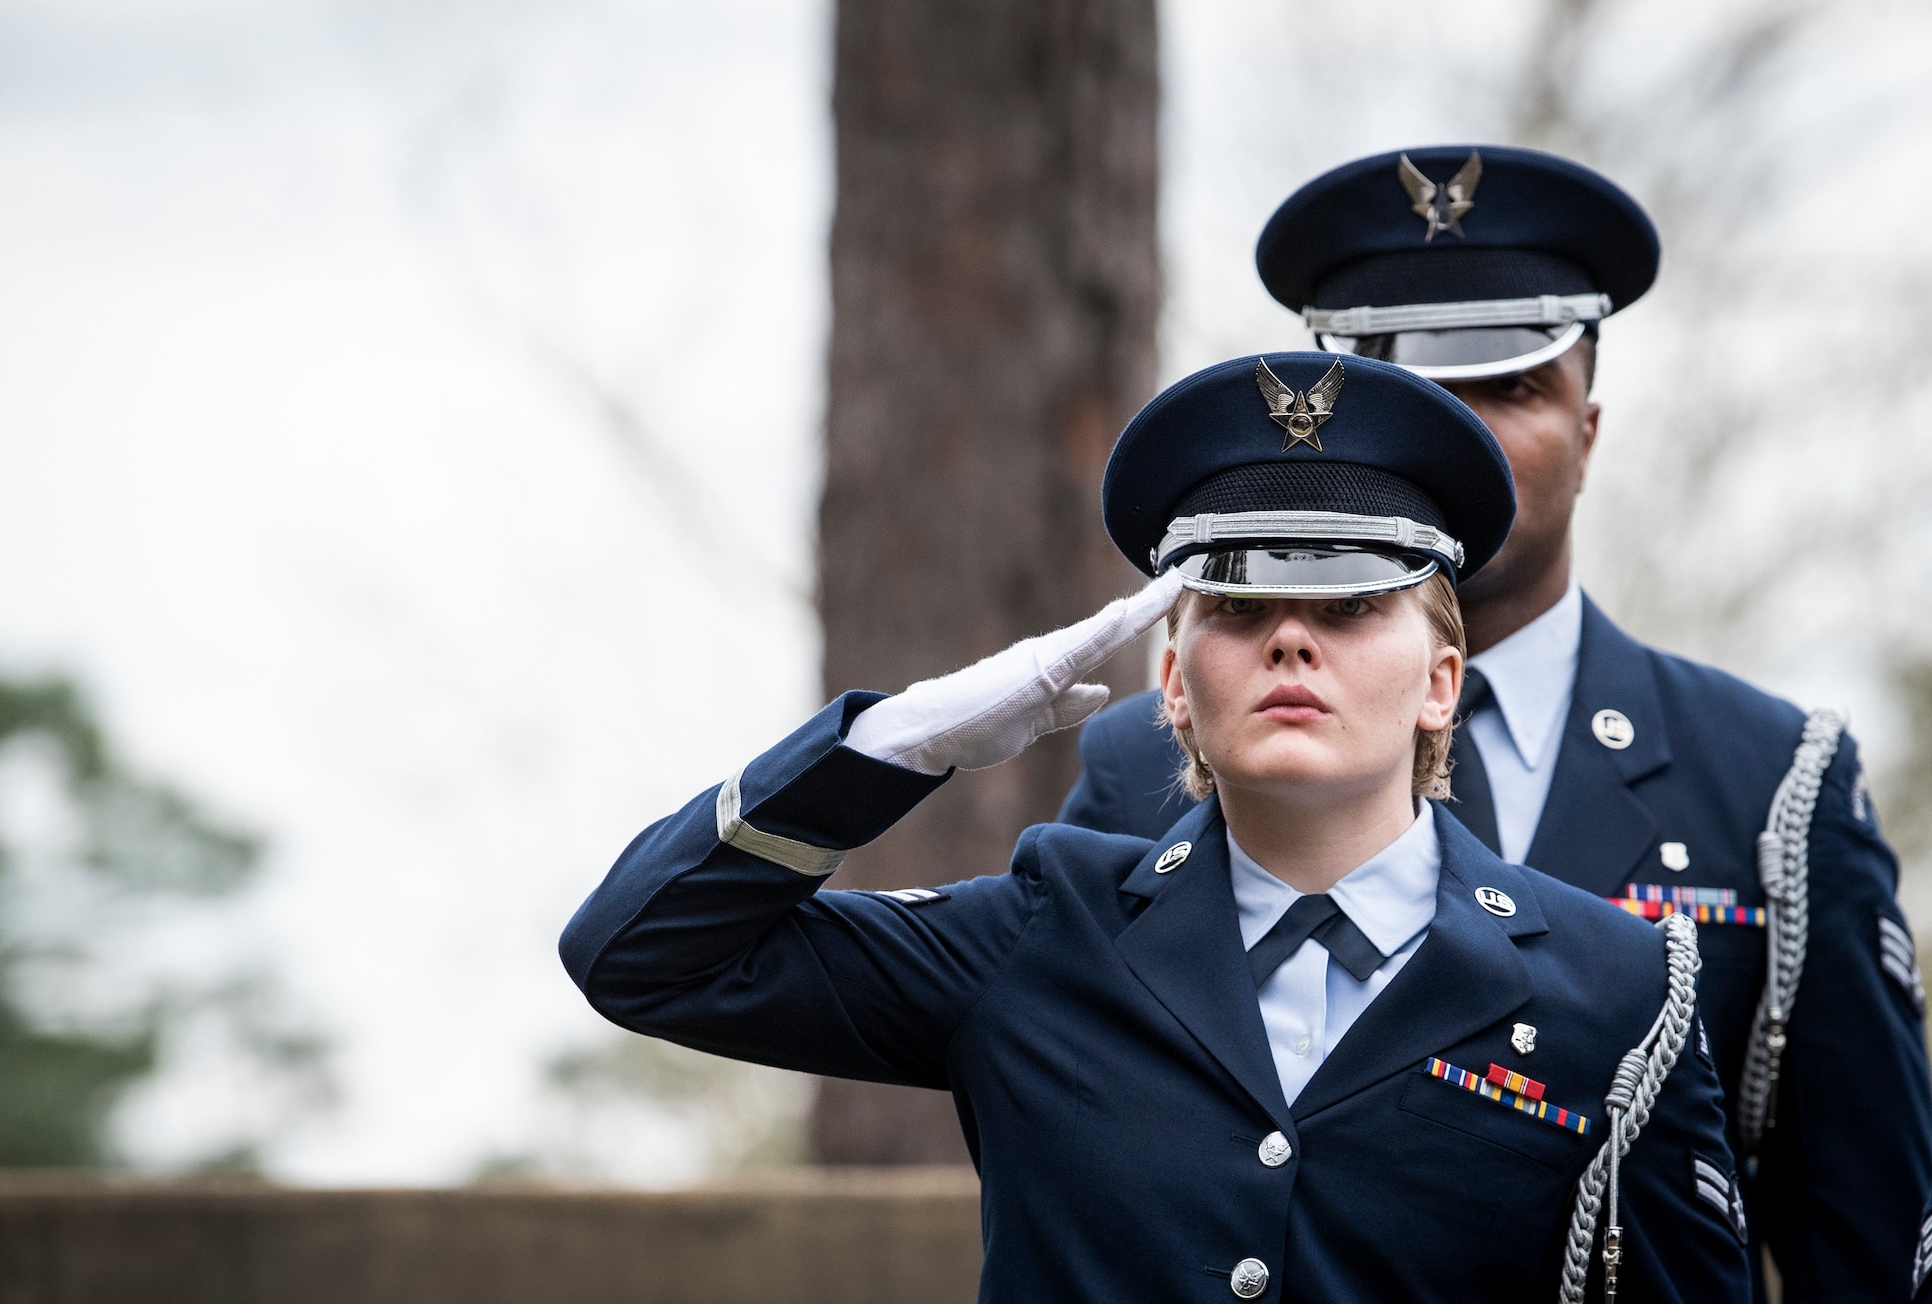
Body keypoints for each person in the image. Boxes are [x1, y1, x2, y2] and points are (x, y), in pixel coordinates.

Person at [562, 352, 1749, 1302]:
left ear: (1441, 680)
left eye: (1350, 602)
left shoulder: (1617, 984)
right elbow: (639, 954)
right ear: (1173, 683)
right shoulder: (1040, 930)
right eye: (1236, 603)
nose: (1291, 637)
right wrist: (892, 746)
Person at [1056, 145, 1932, 1301]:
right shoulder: (1136, 770)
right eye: (1405, 389)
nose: (1455, 437)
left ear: (1590, 425)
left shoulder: (1766, 781)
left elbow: (1862, 1241)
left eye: (1509, 387)